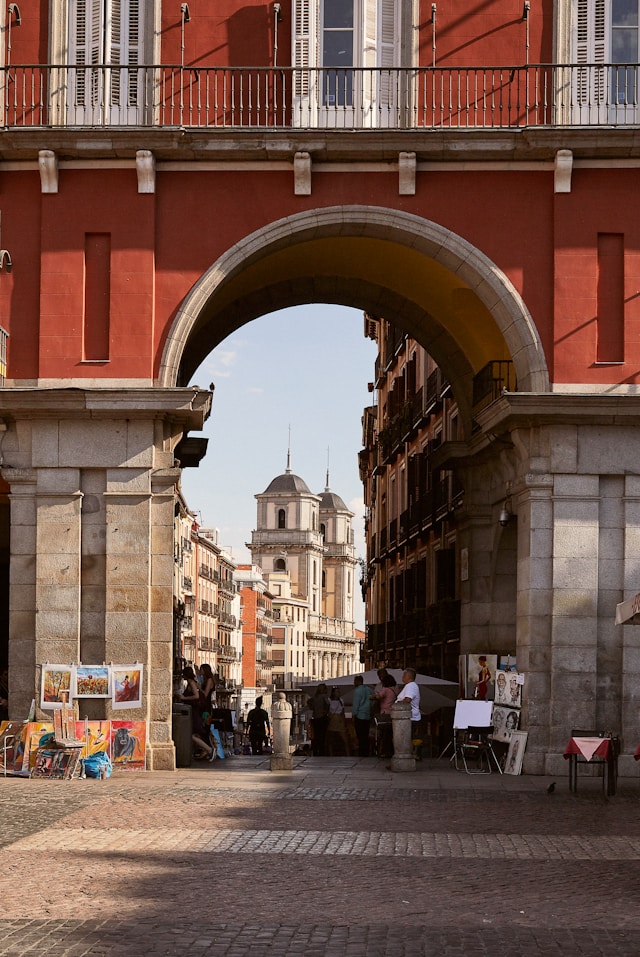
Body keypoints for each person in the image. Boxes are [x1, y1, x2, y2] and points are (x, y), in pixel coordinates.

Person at [175, 666, 216, 761]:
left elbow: (203, 695)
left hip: (205, 709)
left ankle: (209, 750)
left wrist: (184, 698)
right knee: (199, 732)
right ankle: (206, 750)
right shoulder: (200, 681)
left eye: (201, 669)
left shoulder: (207, 680)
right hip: (201, 709)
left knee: (202, 730)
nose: (200, 671)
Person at [374, 672, 398, 758]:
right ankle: (391, 751)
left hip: (384, 713)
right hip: (393, 713)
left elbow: (378, 697)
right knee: (391, 733)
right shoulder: (395, 689)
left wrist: (376, 694)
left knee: (384, 734)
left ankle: (384, 751)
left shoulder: (385, 689)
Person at [396, 667, 421, 739]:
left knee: (405, 739)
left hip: (409, 718)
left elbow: (408, 699)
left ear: (408, 676)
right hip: (407, 717)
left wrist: (398, 703)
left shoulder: (411, 686)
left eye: (404, 675)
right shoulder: (409, 686)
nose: (402, 677)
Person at [352, 675, 373, 757]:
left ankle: (362, 752)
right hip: (367, 715)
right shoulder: (369, 690)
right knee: (366, 734)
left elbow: (356, 704)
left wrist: (354, 714)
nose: (354, 683)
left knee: (360, 735)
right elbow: (373, 701)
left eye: (355, 681)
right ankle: (366, 752)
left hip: (359, 715)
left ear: (358, 681)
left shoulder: (357, 691)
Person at [326, 687, 351, 756]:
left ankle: (348, 754)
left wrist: (344, 720)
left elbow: (343, 712)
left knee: (345, 739)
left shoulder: (341, 700)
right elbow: (327, 710)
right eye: (337, 692)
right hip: (332, 720)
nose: (338, 693)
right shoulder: (329, 700)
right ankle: (331, 754)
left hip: (339, 720)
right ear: (333, 693)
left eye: (339, 692)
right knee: (331, 739)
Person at [308, 683, 330, 756]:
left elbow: (309, 702)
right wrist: (326, 711)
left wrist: (313, 708)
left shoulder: (315, 697)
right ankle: (321, 751)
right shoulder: (324, 697)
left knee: (316, 735)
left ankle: (315, 751)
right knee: (322, 735)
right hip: (322, 717)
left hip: (315, 717)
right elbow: (328, 704)